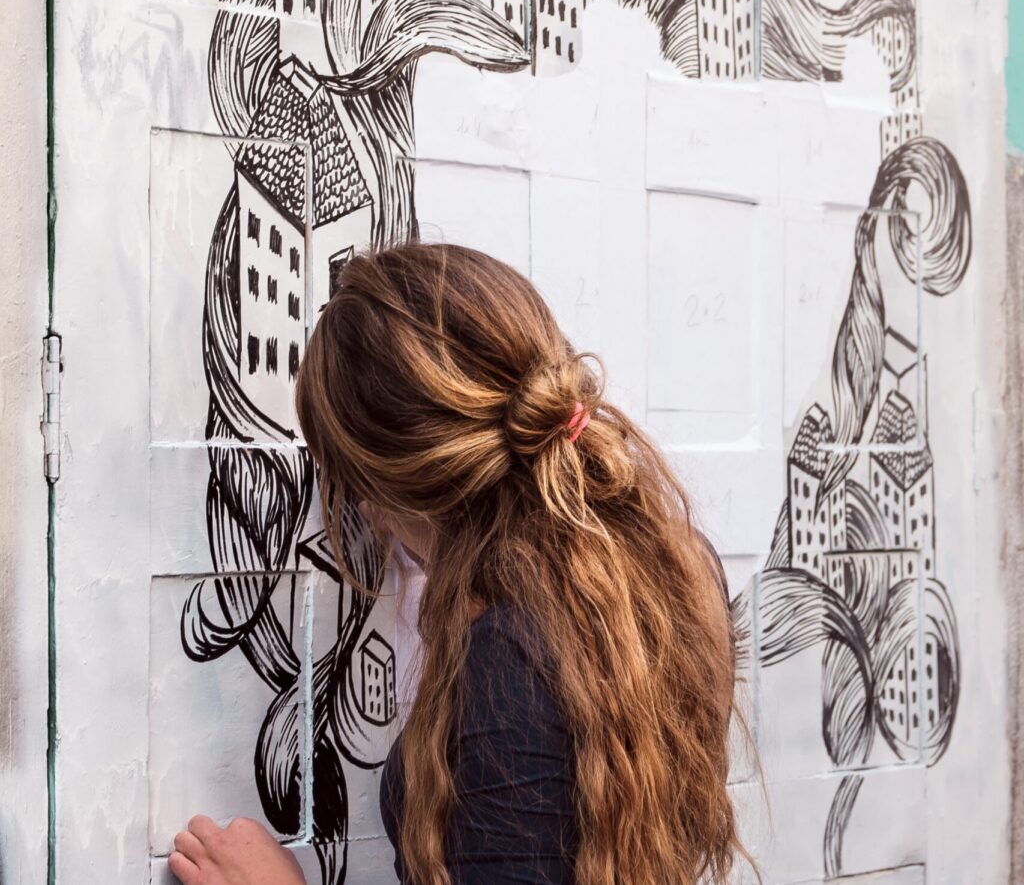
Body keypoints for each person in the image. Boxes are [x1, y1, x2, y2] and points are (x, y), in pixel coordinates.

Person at [169, 242, 747, 885]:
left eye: (352, 483)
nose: (362, 514)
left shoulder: (506, 661)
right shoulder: (684, 566)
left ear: (396, 488)